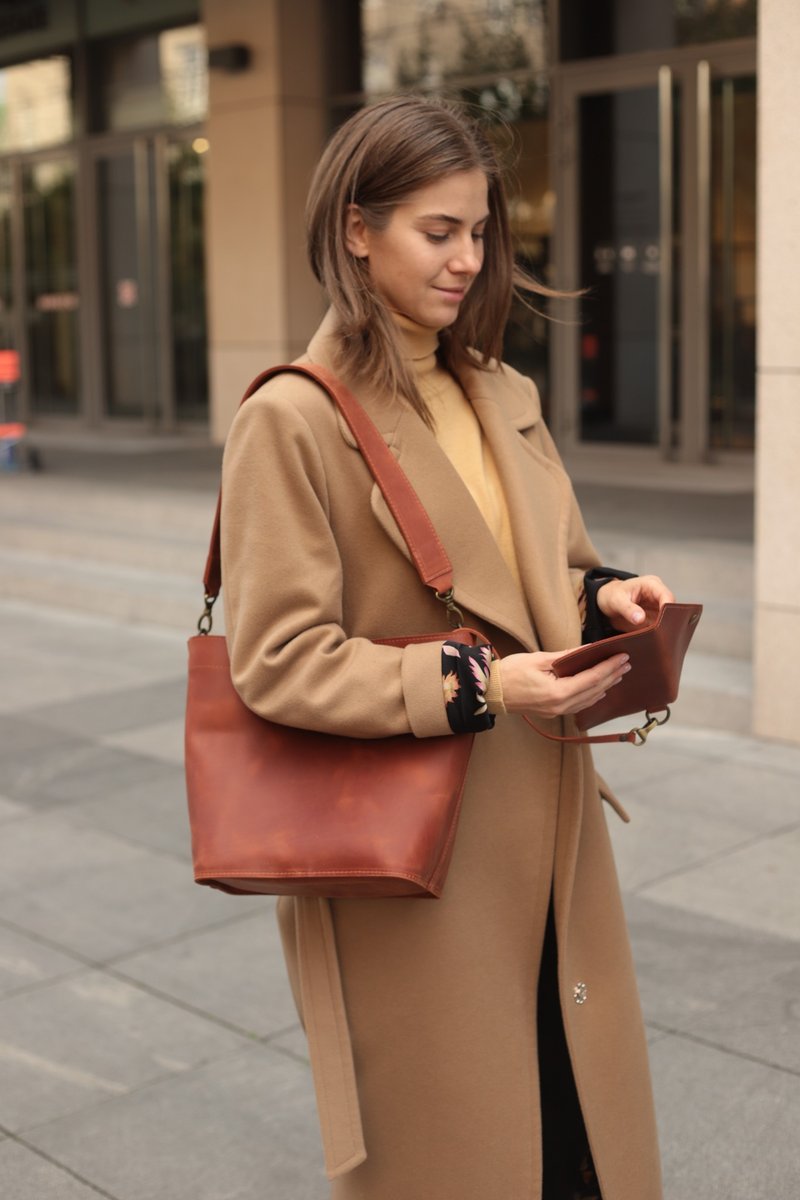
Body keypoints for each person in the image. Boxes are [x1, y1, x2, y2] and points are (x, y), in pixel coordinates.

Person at [221, 95, 674, 1200]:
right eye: (438, 230)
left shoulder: (501, 391)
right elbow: (276, 659)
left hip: (551, 832)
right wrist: (476, 682)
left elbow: (545, 568)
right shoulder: (293, 419)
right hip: (416, 857)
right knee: (462, 1149)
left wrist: (606, 596)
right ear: (356, 230)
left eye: (480, 231)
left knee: (576, 1138)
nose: (468, 258)